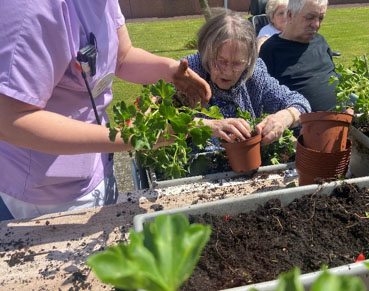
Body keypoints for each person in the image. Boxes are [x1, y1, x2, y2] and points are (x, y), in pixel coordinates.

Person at [0, 0, 212, 221]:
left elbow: (122, 57)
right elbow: (10, 120)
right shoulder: (29, 8)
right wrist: (133, 137)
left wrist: (168, 70)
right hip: (47, 195)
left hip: (96, 165)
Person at [185, 9, 311, 147]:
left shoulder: (254, 74)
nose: (228, 71)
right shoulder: (188, 72)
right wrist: (208, 125)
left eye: (237, 63)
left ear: (249, 61)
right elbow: (162, 122)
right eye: (220, 61)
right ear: (205, 53)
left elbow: (300, 103)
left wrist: (283, 118)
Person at [259, 0, 339, 111]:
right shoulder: (271, 50)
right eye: (310, 17)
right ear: (290, 15)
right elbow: (263, 97)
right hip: (304, 124)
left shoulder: (320, 41)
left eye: (320, 18)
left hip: (347, 118)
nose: (316, 24)